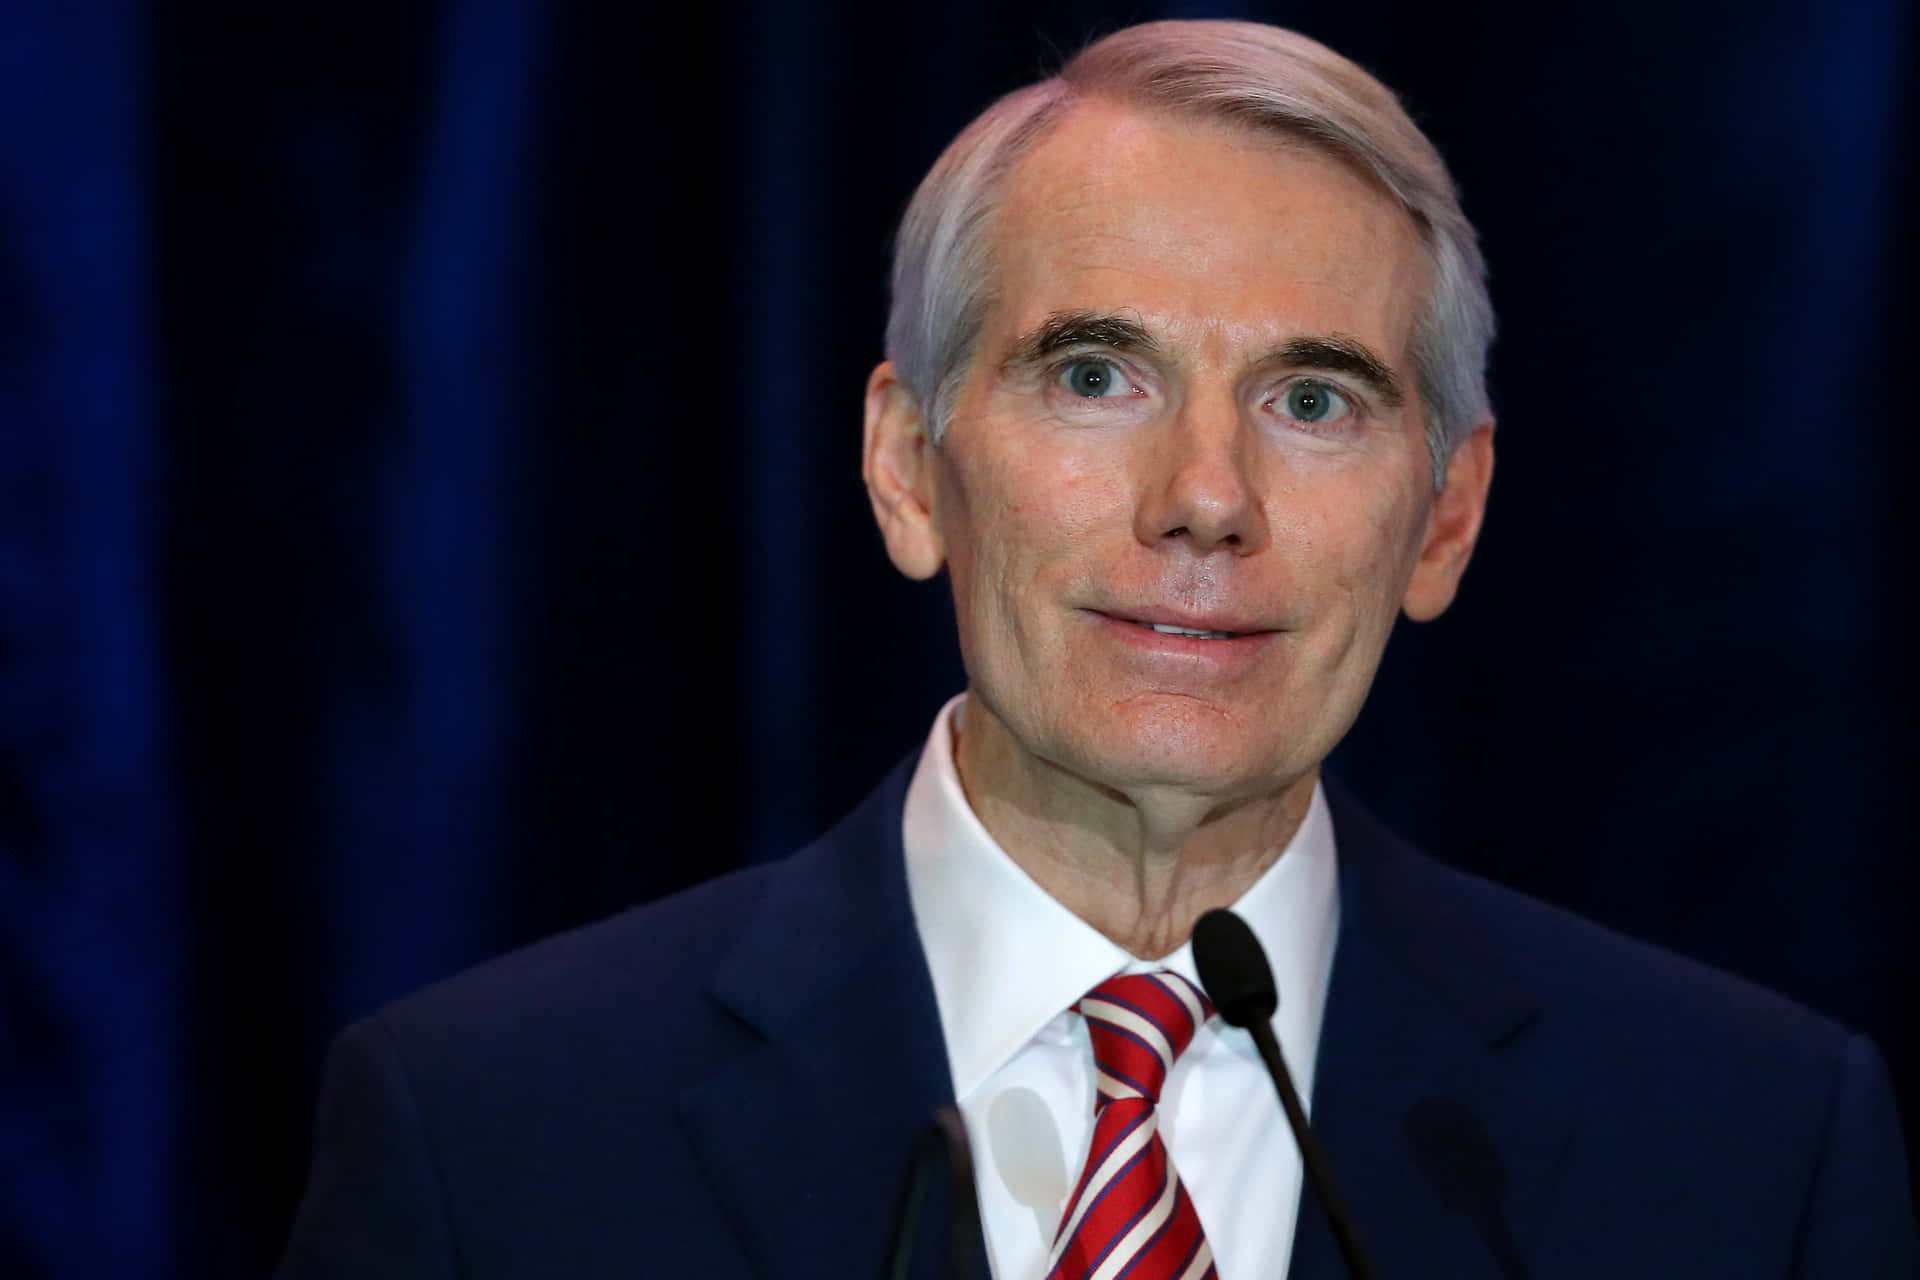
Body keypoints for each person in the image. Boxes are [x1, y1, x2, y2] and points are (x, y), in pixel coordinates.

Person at [277, 20, 1916, 1278]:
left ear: (1445, 518)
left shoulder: (1747, 1150)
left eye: (1313, 401)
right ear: (907, 468)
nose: (1205, 498)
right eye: (1093, 377)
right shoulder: (489, 1135)